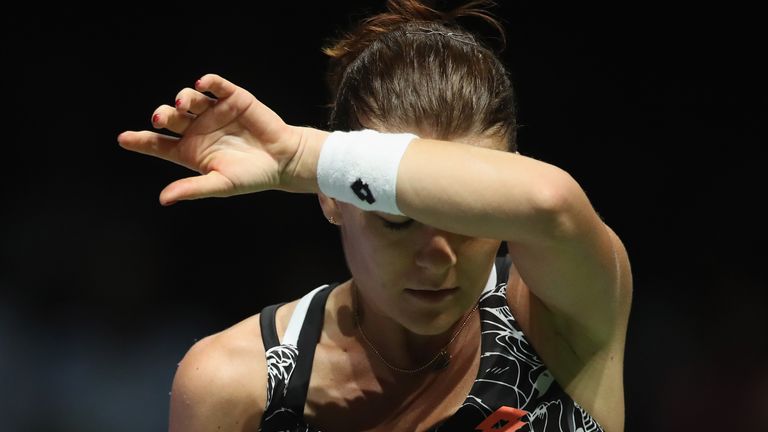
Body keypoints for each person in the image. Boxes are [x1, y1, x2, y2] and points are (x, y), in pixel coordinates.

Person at [118, 0, 632, 431]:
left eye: (470, 219)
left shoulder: (559, 313)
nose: (437, 258)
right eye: (397, 218)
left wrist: (303, 157)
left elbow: (550, 202)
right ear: (330, 198)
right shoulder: (236, 386)